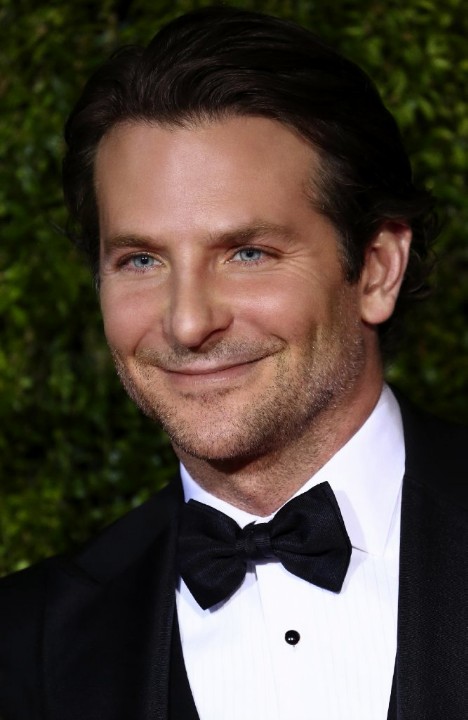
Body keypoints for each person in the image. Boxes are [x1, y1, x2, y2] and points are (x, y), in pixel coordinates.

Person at [0, 6, 467, 720]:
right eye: (141, 260)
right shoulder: (22, 645)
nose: (188, 323)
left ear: (376, 269)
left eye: (248, 253)